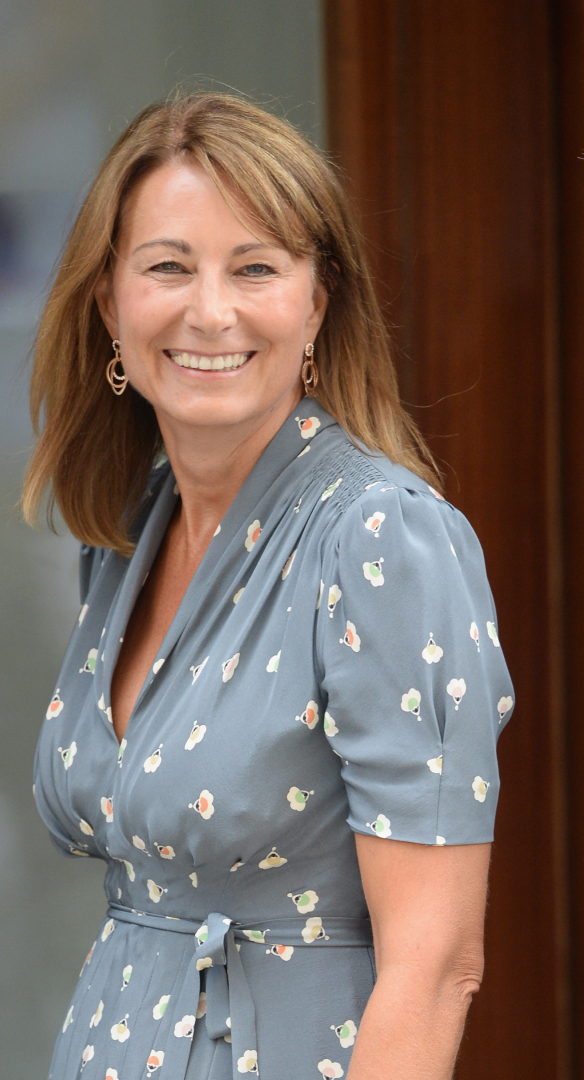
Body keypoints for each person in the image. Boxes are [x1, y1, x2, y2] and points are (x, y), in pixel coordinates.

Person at [26, 92, 514, 1080]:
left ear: (316, 304)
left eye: (255, 268)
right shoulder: (128, 533)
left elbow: (437, 966)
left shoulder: (383, 540)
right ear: (108, 305)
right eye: (168, 267)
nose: (212, 311)